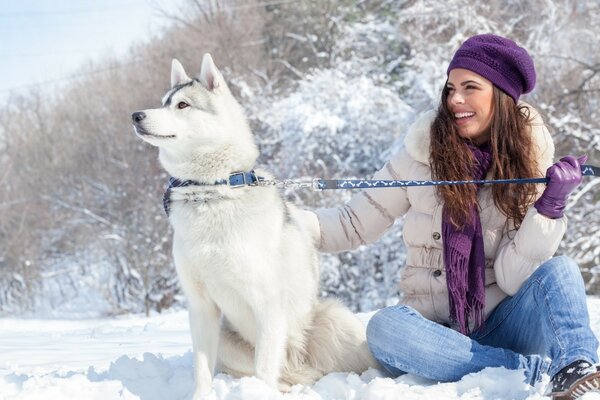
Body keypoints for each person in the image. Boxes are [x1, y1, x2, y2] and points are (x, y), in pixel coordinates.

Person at [301, 34, 599, 399]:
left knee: (561, 270)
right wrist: (289, 223)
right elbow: (353, 223)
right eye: (450, 87)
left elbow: (511, 278)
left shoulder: (529, 164)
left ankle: (576, 366)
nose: (455, 99)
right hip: (429, 332)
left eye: (470, 87)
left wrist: (547, 211)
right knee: (384, 327)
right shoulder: (420, 154)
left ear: (501, 96)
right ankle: (529, 370)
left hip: (499, 321)